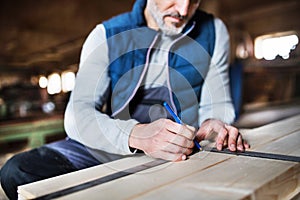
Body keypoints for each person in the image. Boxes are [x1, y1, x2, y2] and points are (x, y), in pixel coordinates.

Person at [1, 0, 249, 199]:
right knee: (18, 171)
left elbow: (218, 103)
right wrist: (137, 135)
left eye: (195, 0)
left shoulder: (214, 31)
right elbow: (78, 115)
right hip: (114, 145)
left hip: (182, 148)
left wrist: (214, 123)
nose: (184, 10)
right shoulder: (105, 35)